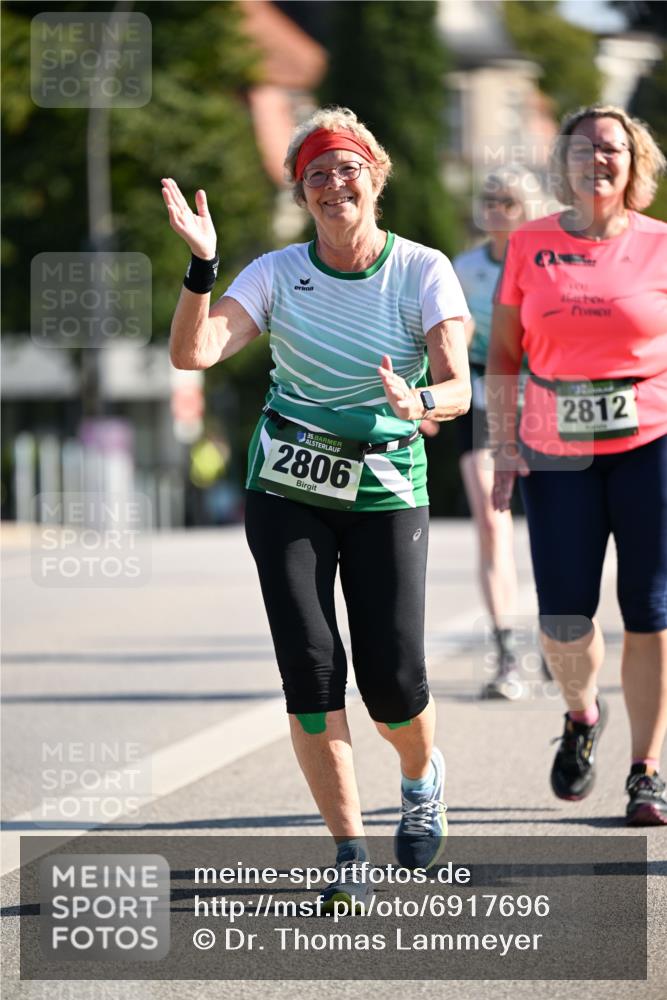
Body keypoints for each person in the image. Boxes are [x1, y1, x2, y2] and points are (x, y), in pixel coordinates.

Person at [162, 106, 471, 904]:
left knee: (393, 683)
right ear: (302, 194)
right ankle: (347, 856)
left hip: (385, 488)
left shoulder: (421, 269)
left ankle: (418, 774)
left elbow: (458, 388)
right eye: (315, 175)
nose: (333, 183)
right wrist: (202, 267)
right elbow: (193, 353)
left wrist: (418, 401)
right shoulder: (274, 272)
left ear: (375, 177)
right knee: (309, 667)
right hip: (287, 488)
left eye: (346, 169)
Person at [488, 104, 667, 824]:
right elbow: (503, 355)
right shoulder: (528, 244)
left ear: (634, 164)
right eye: (584, 147)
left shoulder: (660, 245)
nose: (598, 158)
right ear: (561, 162)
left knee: (650, 612)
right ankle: (581, 712)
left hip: (650, 437)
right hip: (554, 448)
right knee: (564, 616)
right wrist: (501, 445)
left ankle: (644, 770)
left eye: (613, 149)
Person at [453, 167, 549, 700]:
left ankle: (561, 640)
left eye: (508, 201)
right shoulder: (464, 269)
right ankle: (507, 653)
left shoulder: (547, 263)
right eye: (488, 199)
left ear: (528, 209)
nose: (496, 208)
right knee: (493, 529)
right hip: (485, 405)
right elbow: (447, 339)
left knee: (555, 526)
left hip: (544, 403)